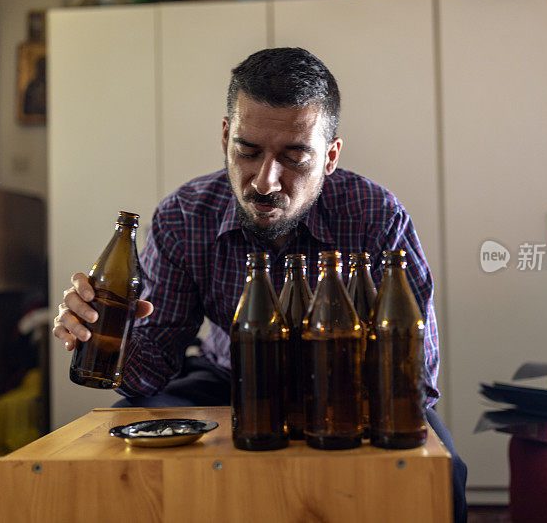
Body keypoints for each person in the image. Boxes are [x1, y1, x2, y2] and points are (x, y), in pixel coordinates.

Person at [53, 47, 467, 521]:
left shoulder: (376, 216)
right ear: (226, 137)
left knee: (442, 466)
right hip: (225, 380)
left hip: (349, 386)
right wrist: (104, 337)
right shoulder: (185, 216)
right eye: (247, 152)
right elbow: (154, 370)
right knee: (132, 424)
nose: (265, 182)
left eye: (293, 158)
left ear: (330, 157)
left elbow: (415, 376)